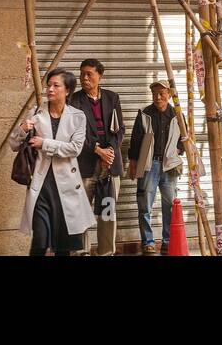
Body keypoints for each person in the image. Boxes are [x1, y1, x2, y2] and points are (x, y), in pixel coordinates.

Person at [9, 69, 95, 256]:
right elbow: (14, 144)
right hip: (41, 185)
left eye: (56, 85)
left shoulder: (78, 116)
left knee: (63, 245)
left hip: (67, 186)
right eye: (49, 85)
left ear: (68, 90)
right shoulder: (36, 112)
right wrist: (22, 129)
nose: (50, 89)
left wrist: (45, 143)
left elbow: (74, 149)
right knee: (39, 240)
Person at [68, 57, 125, 256]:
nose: (84, 78)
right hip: (84, 167)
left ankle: (106, 252)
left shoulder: (112, 98)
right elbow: (72, 133)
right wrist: (97, 150)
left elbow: (120, 130)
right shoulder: (74, 101)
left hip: (109, 167)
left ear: (99, 75)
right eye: (82, 74)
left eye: (89, 74)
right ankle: (80, 252)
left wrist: (109, 151)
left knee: (107, 213)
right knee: (80, 212)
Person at [128, 78, 185, 255]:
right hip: (148, 165)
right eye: (154, 94)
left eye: (161, 93)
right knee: (145, 205)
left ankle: (168, 241)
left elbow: (186, 138)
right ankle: (148, 242)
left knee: (170, 206)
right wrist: (133, 164)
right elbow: (135, 140)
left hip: (169, 166)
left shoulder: (177, 115)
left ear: (169, 94)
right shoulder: (145, 113)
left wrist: (179, 150)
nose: (158, 97)